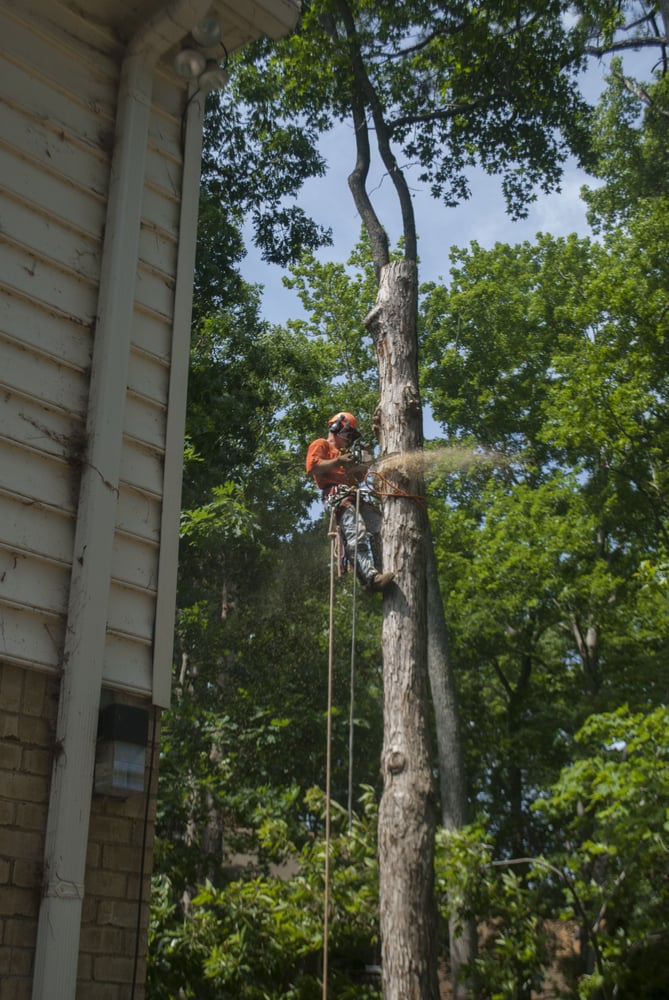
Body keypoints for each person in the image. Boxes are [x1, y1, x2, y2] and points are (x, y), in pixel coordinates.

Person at [306, 411, 394, 592]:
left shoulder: (345, 454)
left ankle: (382, 568)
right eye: (349, 433)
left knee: (381, 525)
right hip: (337, 496)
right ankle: (370, 578)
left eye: (352, 435)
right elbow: (313, 467)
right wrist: (338, 461)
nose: (350, 438)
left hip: (354, 496)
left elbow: (359, 477)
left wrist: (365, 462)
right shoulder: (321, 444)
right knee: (357, 531)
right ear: (336, 427)